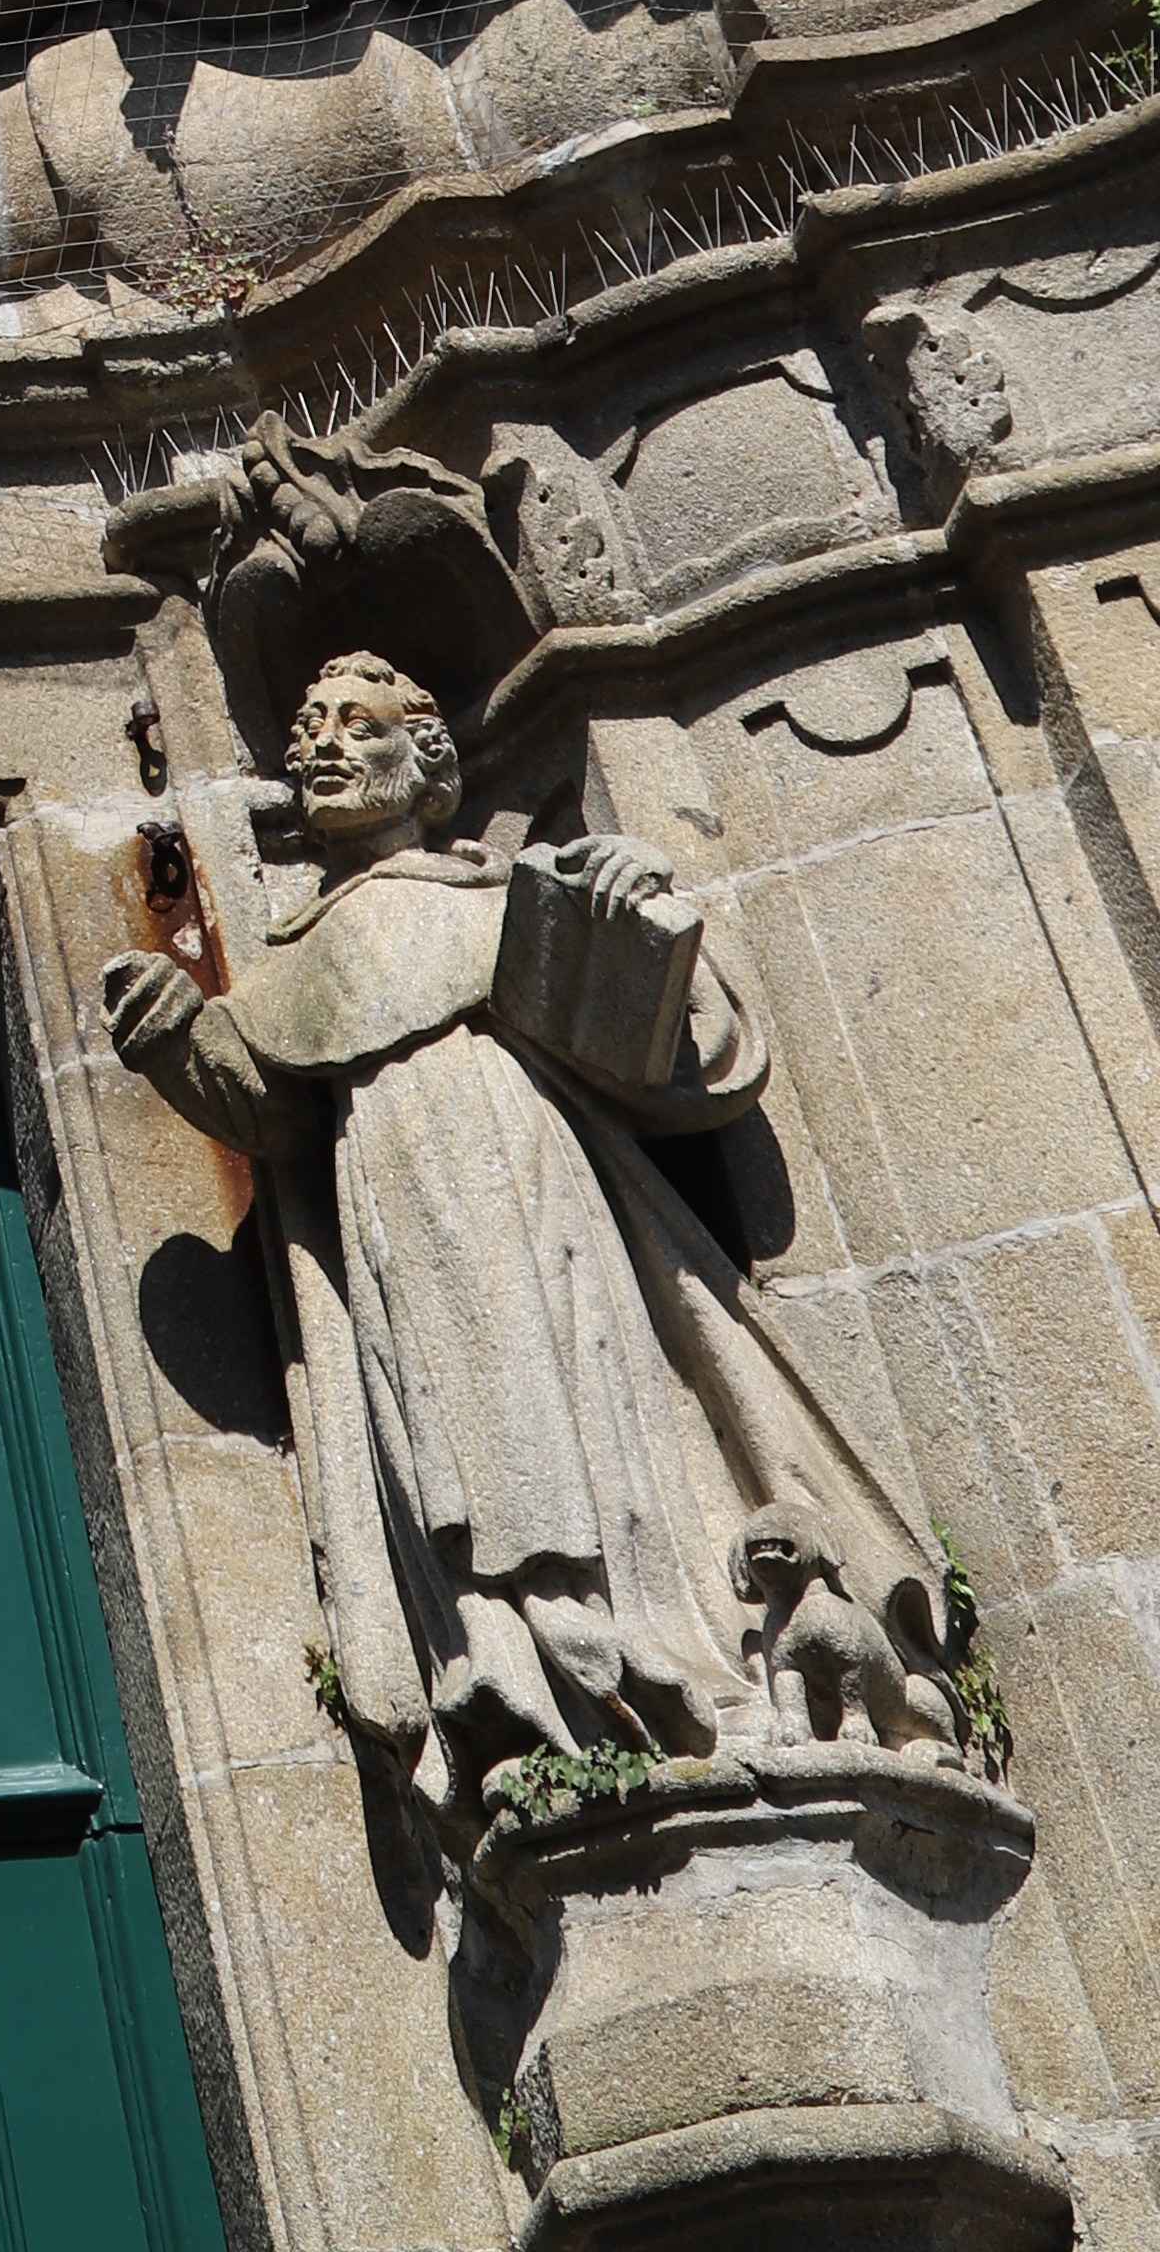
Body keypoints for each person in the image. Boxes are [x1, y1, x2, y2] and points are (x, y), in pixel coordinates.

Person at [102, 643, 947, 1863]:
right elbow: (271, 1107)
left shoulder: (499, 896)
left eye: (359, 722)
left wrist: (634, 904)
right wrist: (179, 1037)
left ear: (426, 762)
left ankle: (638, 1656)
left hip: (513, 1170)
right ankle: (508, 1670)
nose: (327, 742)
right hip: (387, 1198)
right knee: (445, 1430)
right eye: (310, 726)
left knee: (550, 1402)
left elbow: (679, 1053)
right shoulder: (296, 956)